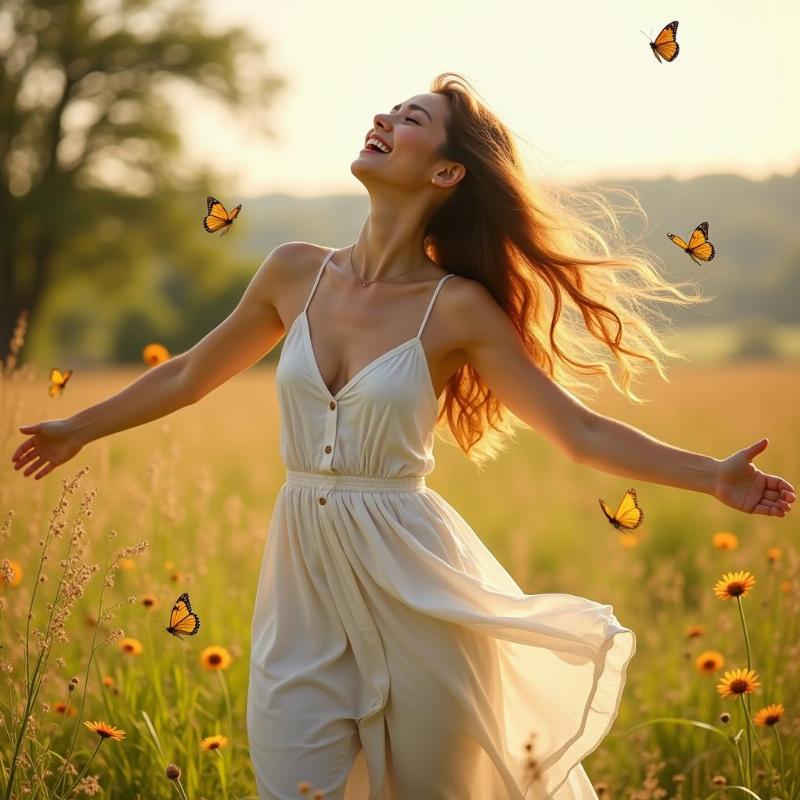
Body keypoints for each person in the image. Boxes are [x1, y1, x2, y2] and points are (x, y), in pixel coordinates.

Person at [11, 73, 795, 800]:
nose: (384, 118)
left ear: (447, 173)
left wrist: (710, 475)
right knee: (295, 781)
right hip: (303, 583)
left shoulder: (456, 309)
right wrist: (80, 426)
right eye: (390, 109)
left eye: (412, 118)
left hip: (415, 582)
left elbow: (579, 430)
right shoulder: (293, 273)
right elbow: (188, 375)